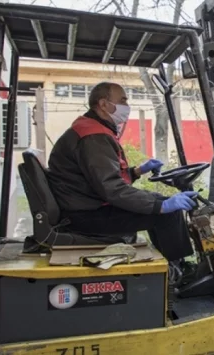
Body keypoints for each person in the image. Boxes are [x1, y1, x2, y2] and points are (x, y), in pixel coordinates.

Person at [46, 81, 195, 261]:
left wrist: (137, 171)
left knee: (158, 202)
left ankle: (170, 267)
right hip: (85, 215)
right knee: (167, 213)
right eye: (122, 101)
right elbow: (111, 188)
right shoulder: (93, 136)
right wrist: (160, 206)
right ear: (103, 104)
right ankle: (180, 276)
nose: (127, 106)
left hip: (84, 205)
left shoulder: (92, 129)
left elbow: (99, 178)